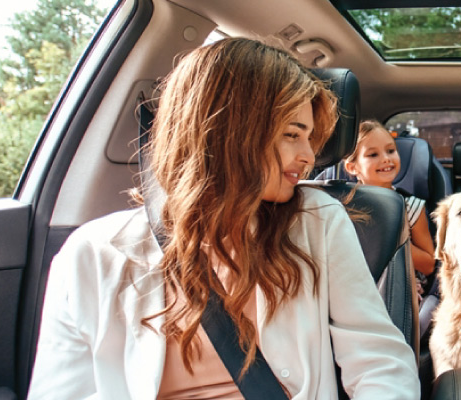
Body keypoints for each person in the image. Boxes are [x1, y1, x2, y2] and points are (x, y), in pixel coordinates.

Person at [28, 38, 419, 399]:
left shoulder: (318, 221)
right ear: (230, 131)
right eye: (292, 134)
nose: (309, 157)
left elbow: (380, 362)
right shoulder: (91, 255)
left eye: (310, 138)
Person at [344, 120, 437, 293]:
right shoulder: (343, 207)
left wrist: (388, 240)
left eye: (391, 151)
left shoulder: (411, 207)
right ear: (352, 167)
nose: (386, 159)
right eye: (373, 155)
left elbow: (429, 265)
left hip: (400, 289)